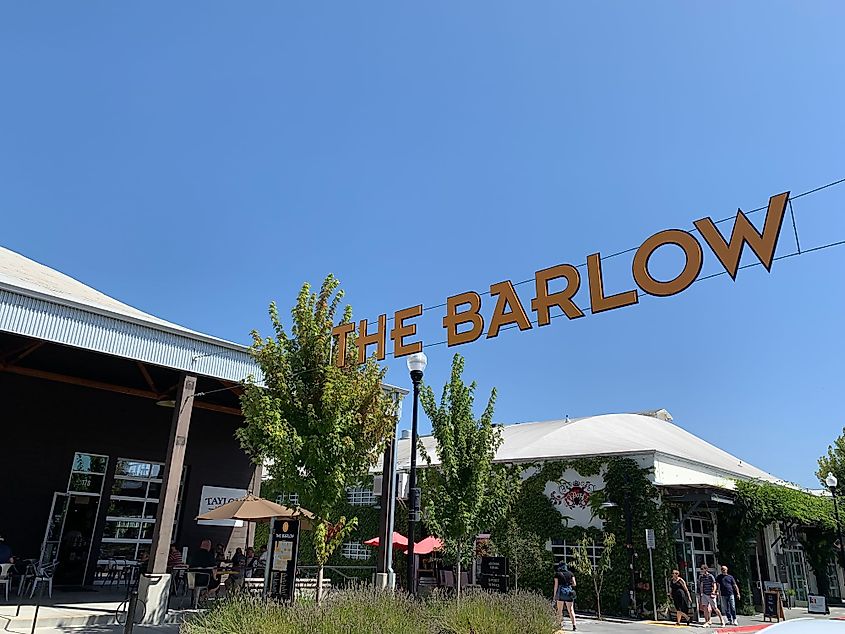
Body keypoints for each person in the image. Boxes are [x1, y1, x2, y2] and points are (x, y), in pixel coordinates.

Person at [553, 561, 577, 631]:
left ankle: (559, 625)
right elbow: (574, 584)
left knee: (559, 610)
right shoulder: (570, 573)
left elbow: (556, 586)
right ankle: (574, 625)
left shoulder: (557, 574)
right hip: (569, 593)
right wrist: (569, 585)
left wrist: (554, 595)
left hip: (561, 593)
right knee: (571, 610)